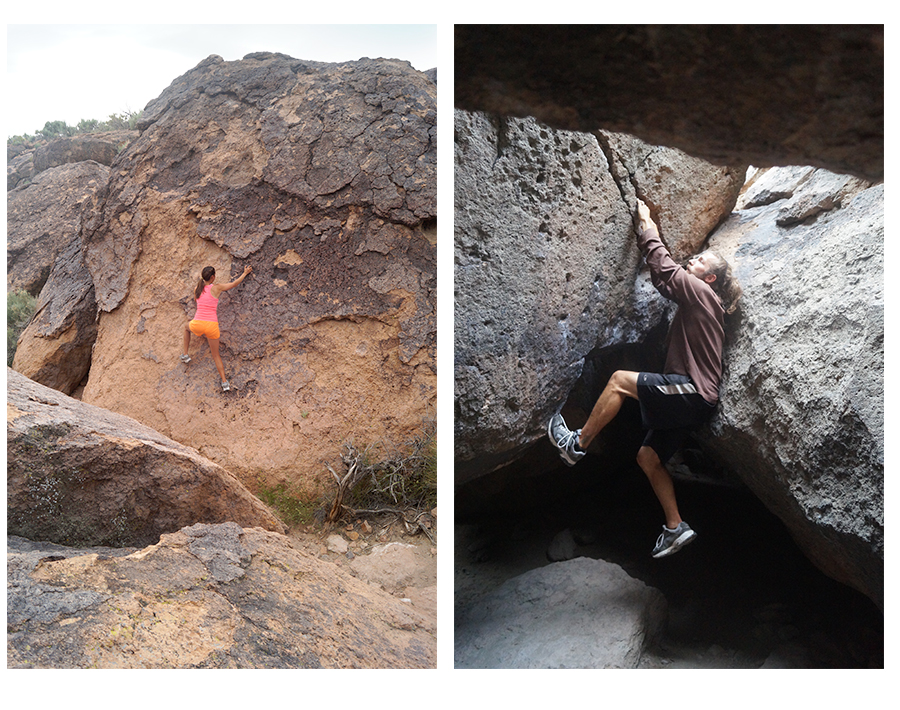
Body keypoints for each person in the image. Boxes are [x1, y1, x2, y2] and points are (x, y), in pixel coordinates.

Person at [548, 198, 741, 558]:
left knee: (620, 379)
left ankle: (577, 444)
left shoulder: (703, 294)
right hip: (695, 402)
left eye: (699, 261)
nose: (692, 261)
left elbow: (666, 269)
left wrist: (646, 224)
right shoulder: (698, 301)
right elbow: (666, 282)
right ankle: (675, 527)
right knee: (648, 456)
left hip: (691, 392)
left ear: (709, 278)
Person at [181, 264, 253, 391]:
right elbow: (234, 284)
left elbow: (196, 300)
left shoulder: (197, 288)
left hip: (197, 324)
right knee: (216, 355)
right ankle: (225, 383)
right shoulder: (217, 288)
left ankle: (185, 355)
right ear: (213, 277)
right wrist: (245, 273)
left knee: (186, 328)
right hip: (211, 326)